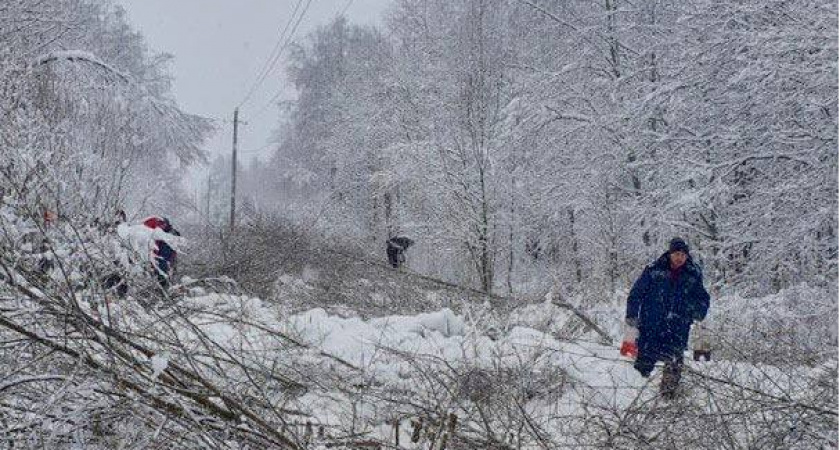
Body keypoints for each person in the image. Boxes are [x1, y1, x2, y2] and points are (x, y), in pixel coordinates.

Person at [625, 237, 710, 399]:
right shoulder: (653, 270)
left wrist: (696, 312)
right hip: (651, 326)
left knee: (674, 365)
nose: (680, 258)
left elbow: (703, 299)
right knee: (642, 367)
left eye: (683, 255)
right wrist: (631, 318)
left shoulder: (693, 274)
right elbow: (636, 295)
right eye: (677, 254)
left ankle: (667, 401)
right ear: (670, 253)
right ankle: (636, 401)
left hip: (678, 328)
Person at [142, 216, 180, 287]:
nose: (159, 227)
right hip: (161, 263)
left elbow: (165, 255)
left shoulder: (168, 235)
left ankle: (163, 289)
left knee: (163, 280)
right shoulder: (160, 234)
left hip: (163, 263)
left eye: (162, 224)